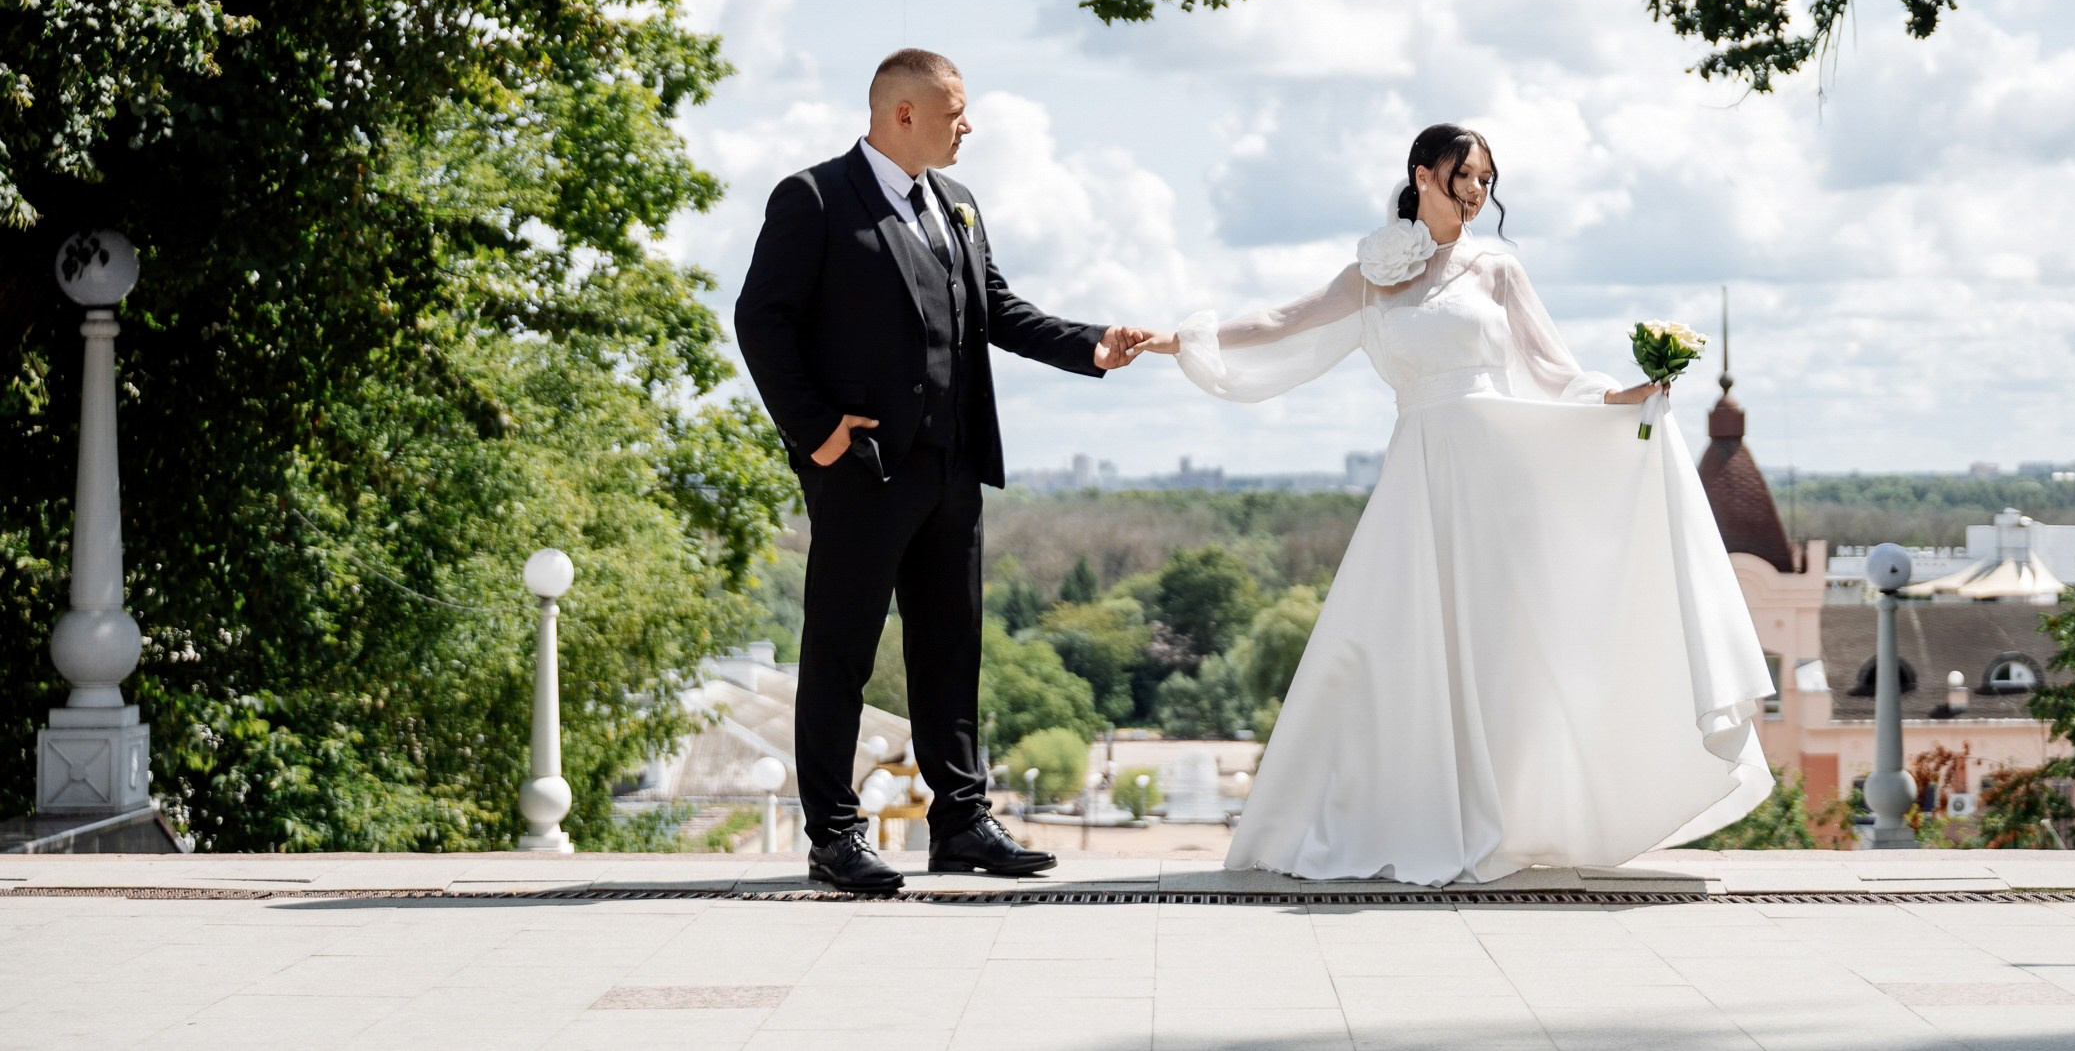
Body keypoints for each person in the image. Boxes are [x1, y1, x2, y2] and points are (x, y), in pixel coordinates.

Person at [1144, 124, 1775, 883]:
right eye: (1466, 177)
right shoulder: (1376, 268)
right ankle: (1383, 813)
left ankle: (1498, 815)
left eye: (1486, 181)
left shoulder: (1499, 267)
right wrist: (1178, 339)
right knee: (1381, 640)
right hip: (1419, 471)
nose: (1479, 194)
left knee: (1500, 649)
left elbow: (1552, 368)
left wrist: (1624, 396)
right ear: (1423, 174)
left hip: (1498, 474)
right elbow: (1284, 320)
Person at [734, 48, 1160, 896]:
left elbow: (997, 308)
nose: (969, 126)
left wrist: (1090, 344)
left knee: (949, 650)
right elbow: (760, 318)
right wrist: (816, 432)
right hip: (862, 468)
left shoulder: (957, 203)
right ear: (902, 114)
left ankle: (960, 821)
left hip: (954, 468)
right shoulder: (814, 198)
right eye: (955, 111)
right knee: (840, 653)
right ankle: (833, 834)